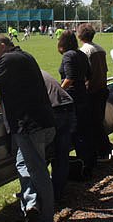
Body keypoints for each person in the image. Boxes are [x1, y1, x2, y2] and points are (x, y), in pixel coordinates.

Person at [0, 35, 56, 221]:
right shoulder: (25, 56)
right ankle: (31, 205)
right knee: (23, 164)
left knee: (38, 171)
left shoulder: (7, 59)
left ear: (3, 46)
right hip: (41, 122)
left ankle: (47, 216)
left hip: (29, 126)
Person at [59, 31, 98, 178]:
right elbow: (89, 74)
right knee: (85, 130)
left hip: (73, 97)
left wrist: (59, 91)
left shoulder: (68, 55)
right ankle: (90, 161)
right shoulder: (81, 54)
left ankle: (82, 165)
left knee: (77, 132)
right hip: (84, 95)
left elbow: (69, 78)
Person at [77, 24, 113, 161]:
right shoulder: (100, 49)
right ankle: (102, 148)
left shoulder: (84, 51)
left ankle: (103, 150)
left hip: (92, 91)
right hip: (102, 88)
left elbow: (85, 73)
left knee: (93, 123)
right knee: (98, 121)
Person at [40, 69, 77, 198]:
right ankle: (57, 192)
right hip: (67, 106)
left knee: (42, 154)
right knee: (62, 154)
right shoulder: (42, 73)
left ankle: (42, 194)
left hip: (55, 111)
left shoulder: (26, 76)